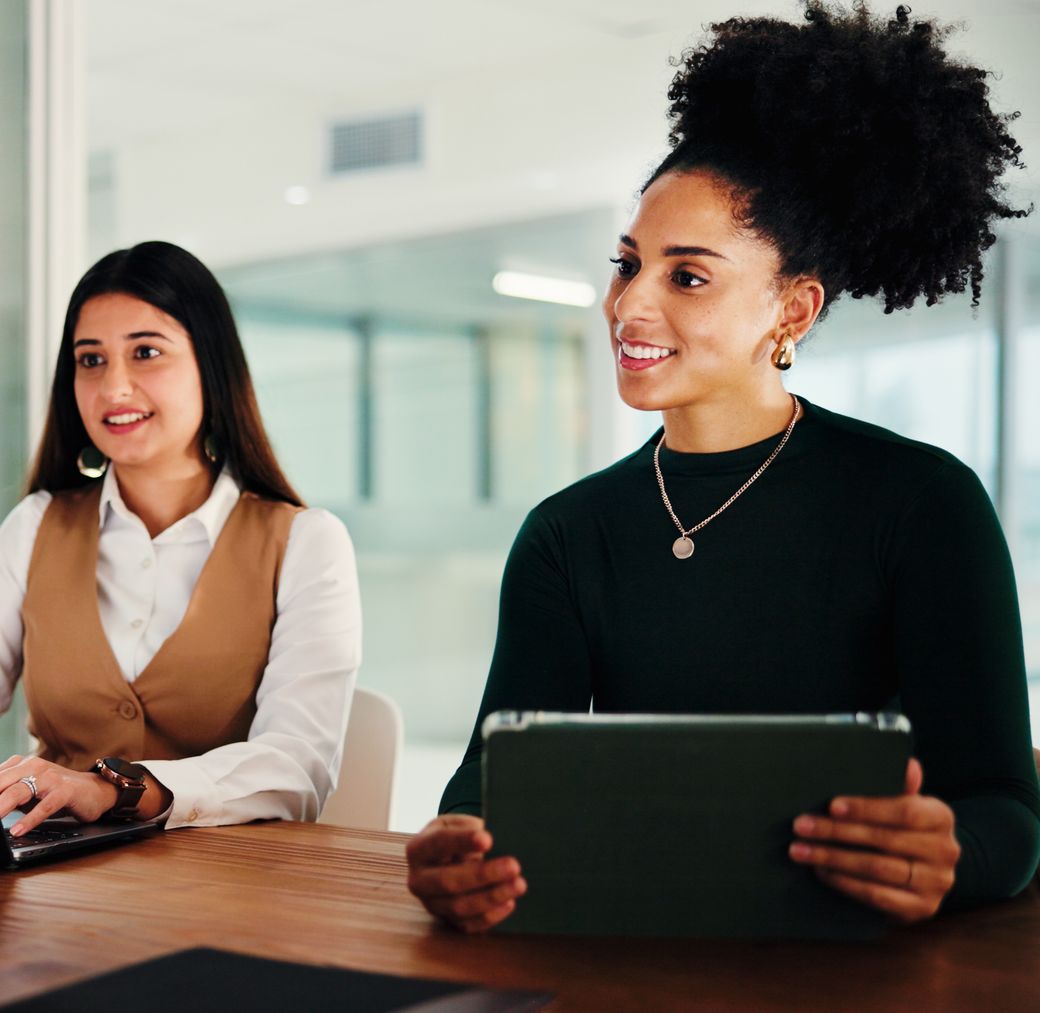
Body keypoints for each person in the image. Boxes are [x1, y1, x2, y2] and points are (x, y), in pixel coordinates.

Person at [406, 1, 1040, 933]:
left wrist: (953, 854)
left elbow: (1006, 812)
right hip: (623, 951)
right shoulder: (566, 534)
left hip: (862, 964)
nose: (630, 305)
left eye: (687, 275)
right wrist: (455, 844)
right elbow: (490, 781)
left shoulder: (921, 502)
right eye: (629, 265)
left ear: (792, 311)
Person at [0, 241, 362, 836]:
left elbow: (298, 766)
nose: (114, 387)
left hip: (234, 888)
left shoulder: (306, 542)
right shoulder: (36, 525)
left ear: (210, 366)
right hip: (55, 886)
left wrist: (109, 789)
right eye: (91, 360)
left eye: (145, 352)